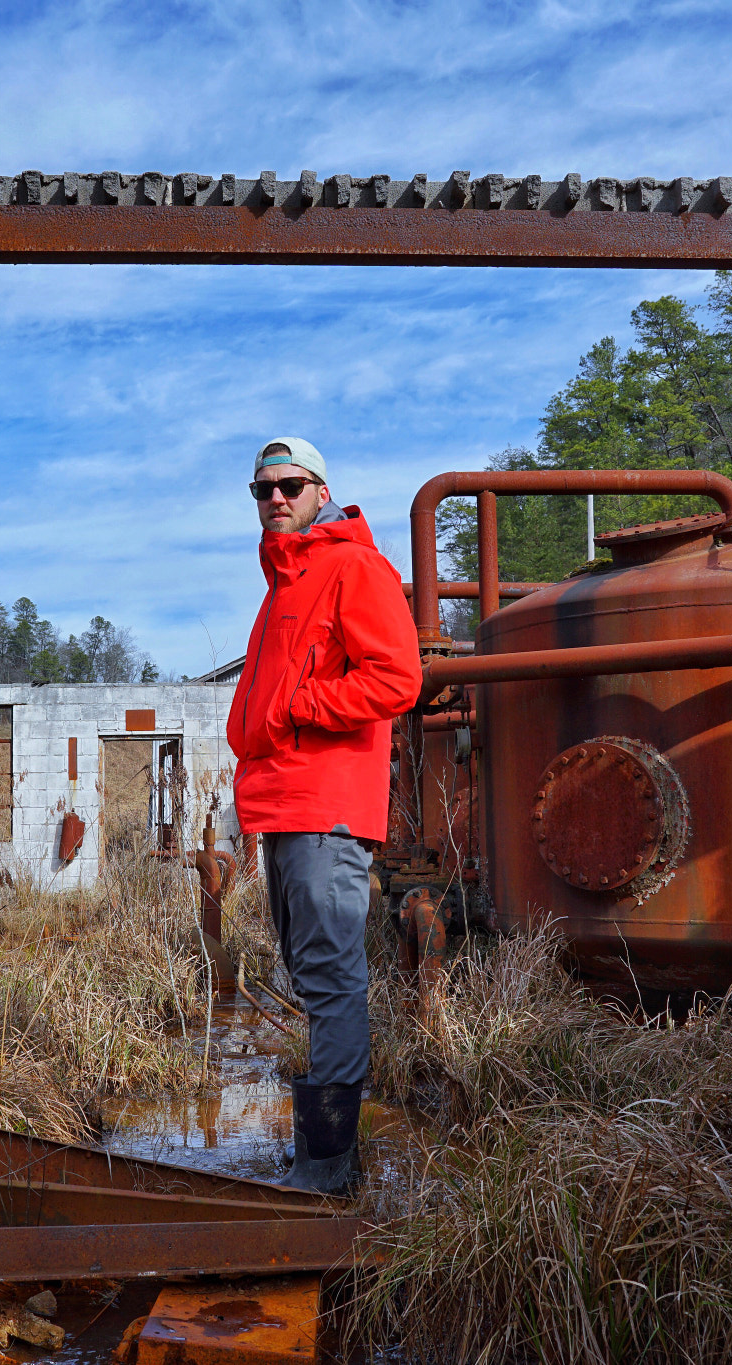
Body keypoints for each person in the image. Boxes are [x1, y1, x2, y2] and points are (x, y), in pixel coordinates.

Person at [226, 437, 421, 1193]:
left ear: (320, 491)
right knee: (313, 979)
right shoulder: (284, 583)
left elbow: (397, 678)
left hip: (326, 808)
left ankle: (328, 1167)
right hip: (282, 807)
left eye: (291, 485)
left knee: (334, 981)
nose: (276, 498)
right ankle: (322, 1158)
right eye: (263, 489)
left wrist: (301, 703)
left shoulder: (352, 567)